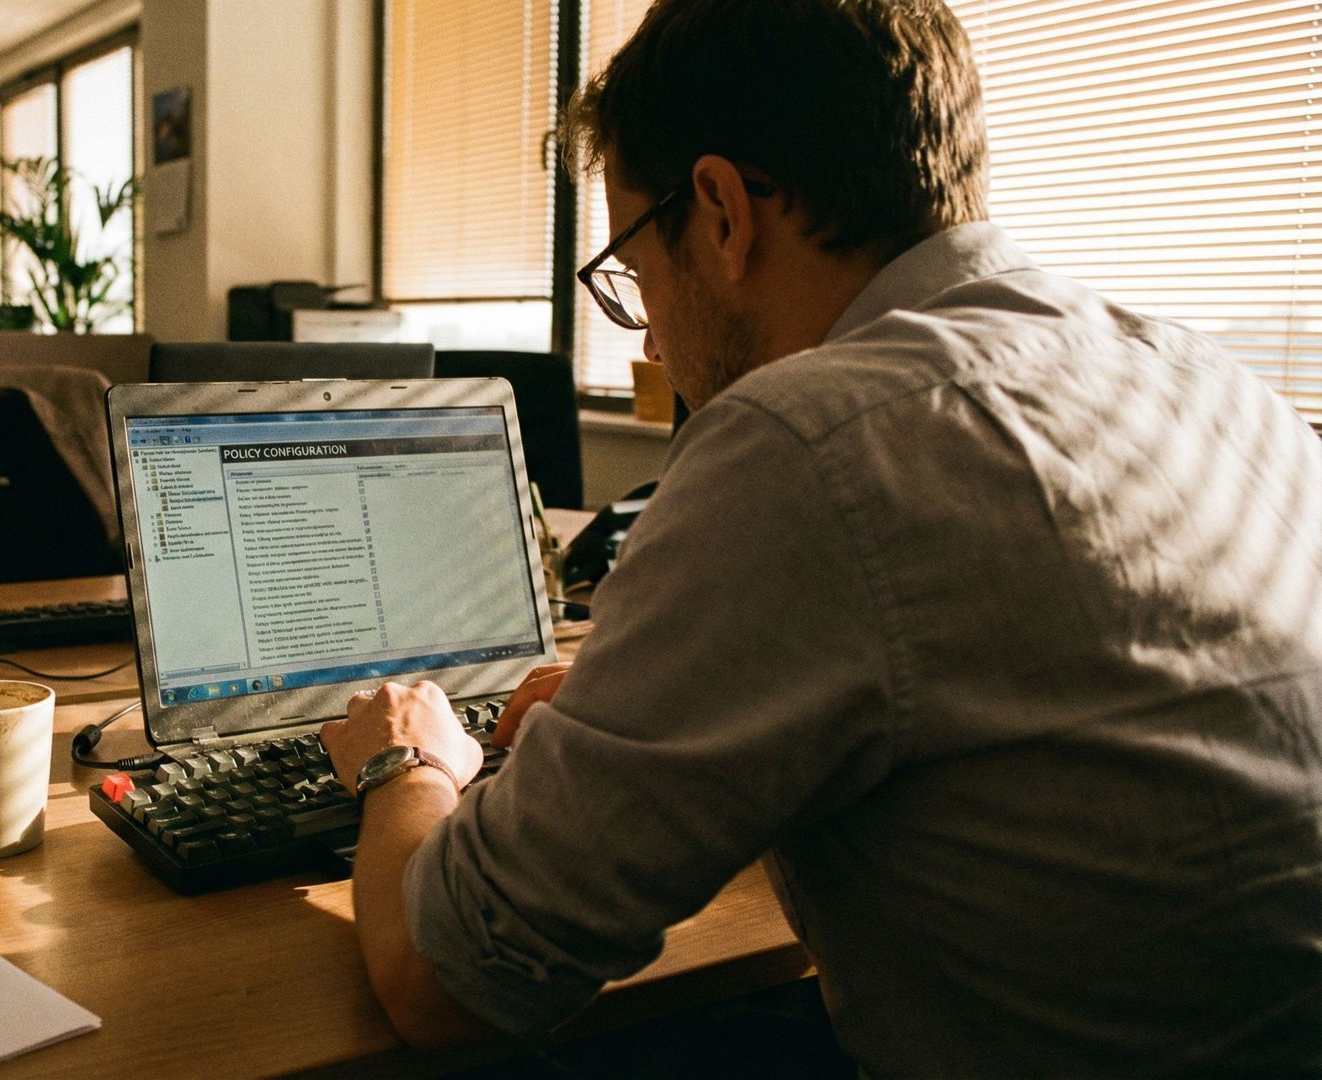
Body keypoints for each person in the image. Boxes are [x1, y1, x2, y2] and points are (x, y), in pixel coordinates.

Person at [318, 1, 1322, 1074]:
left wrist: (408, 758)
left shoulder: (809, 437)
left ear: (719, 212)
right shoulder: (1210, 382)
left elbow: (449, 978)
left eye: (633, 266)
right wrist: (669, 716)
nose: (649, 328)